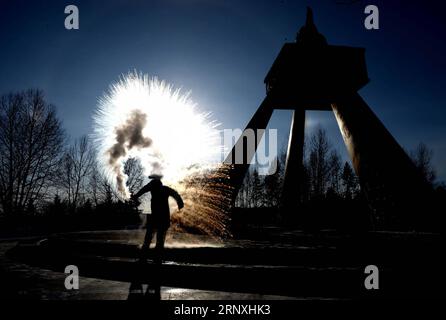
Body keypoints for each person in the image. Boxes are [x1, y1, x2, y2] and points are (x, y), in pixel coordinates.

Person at [131, 174, 184, 262]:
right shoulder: (165, 189)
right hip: (162, 218)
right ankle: (156, 259)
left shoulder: (154, 187)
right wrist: (180, 204)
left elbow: (143, 189)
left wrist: (135, 196)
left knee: (149, 239)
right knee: (158, 240)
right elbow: (176, 195)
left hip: (156, 218)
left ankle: (145, 258)